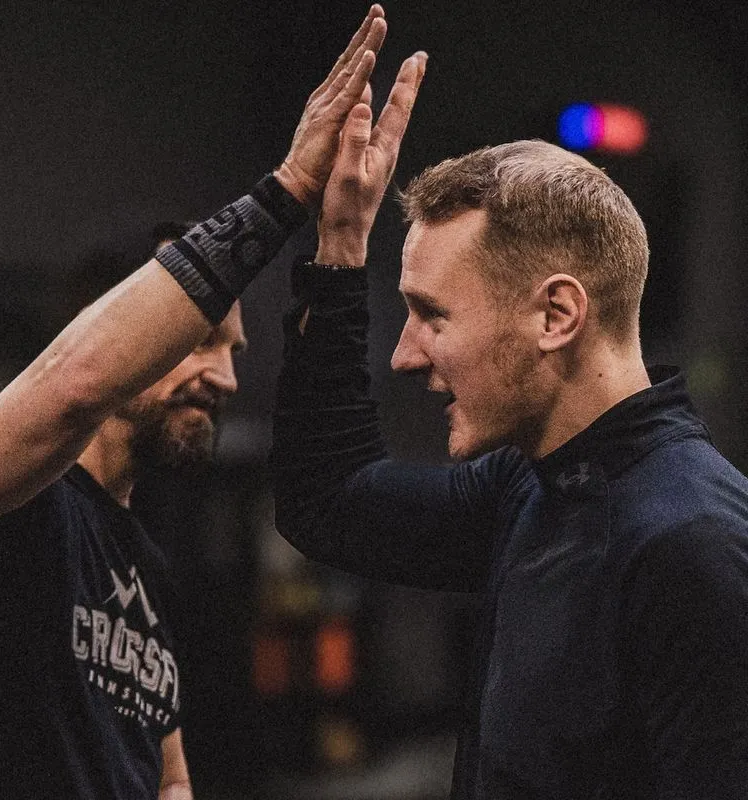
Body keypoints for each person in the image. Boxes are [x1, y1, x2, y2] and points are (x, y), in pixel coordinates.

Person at [0, 6, 427, 797]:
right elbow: (73, 388)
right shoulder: (6, 494)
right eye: (199, 341)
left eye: (232, 351)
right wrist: (286, 195)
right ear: (121, 337)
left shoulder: (146, 566)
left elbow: (168, 776)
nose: (228, 377)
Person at [271, 126, 748, 794]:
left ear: (556, 314)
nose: (404, 356)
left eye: (432, 315)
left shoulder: (691, 547)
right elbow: (328, 499)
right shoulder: (530, 486)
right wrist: (340, 249)